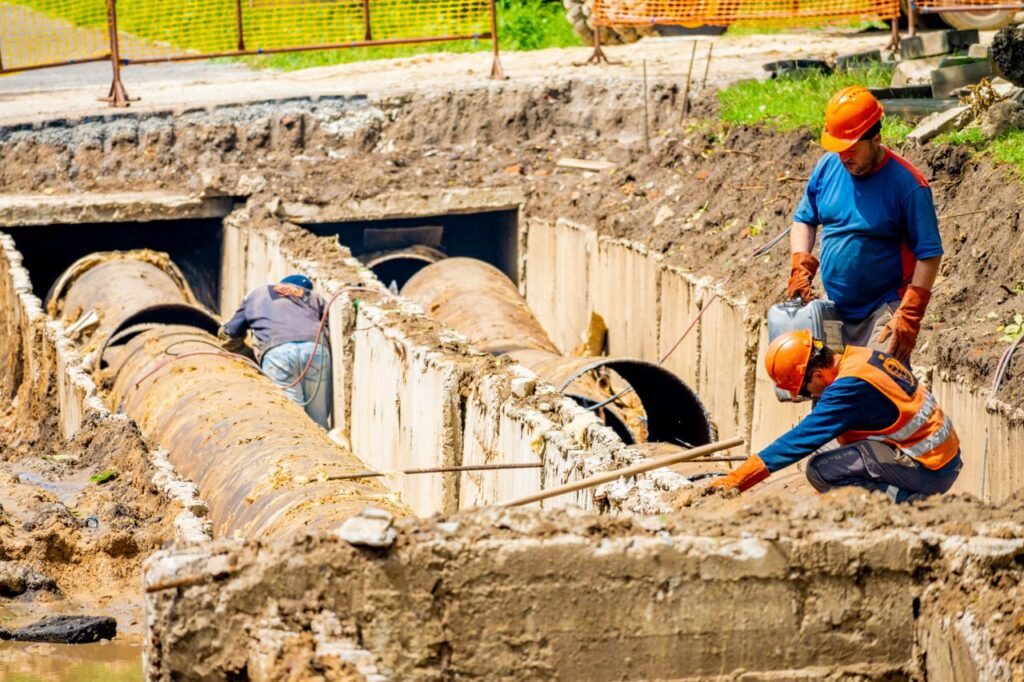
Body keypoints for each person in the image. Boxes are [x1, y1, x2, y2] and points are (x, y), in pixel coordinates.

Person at [786, 85, 943, 362]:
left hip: (882, 312)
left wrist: (910, 313)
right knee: (829, 390)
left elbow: (929, 254)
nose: (844, 156)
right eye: (839, 148)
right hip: (833, 312)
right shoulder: (828, 167)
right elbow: (804, 219)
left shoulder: (907, 185)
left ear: (876, 138)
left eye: (852, 148)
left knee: (872, 388)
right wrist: (800, 264)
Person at [711, 330, 962, 502]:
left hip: (931, 472)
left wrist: (735, 480)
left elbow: (798, 441)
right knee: (831, 449)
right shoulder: (860, 357)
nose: (810, 397)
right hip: (939, 459)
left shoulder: (848, 387)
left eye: (805, 391)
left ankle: (909, 504)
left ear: (818, 375)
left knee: (820, 469)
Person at [220, 274, 332, 429]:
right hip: (315, 352)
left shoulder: (257, 294)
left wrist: (248, 355)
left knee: (292, 420)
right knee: (318, 421)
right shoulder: (315, 298)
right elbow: (327, 328)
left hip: (278, 355)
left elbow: (230, 332)